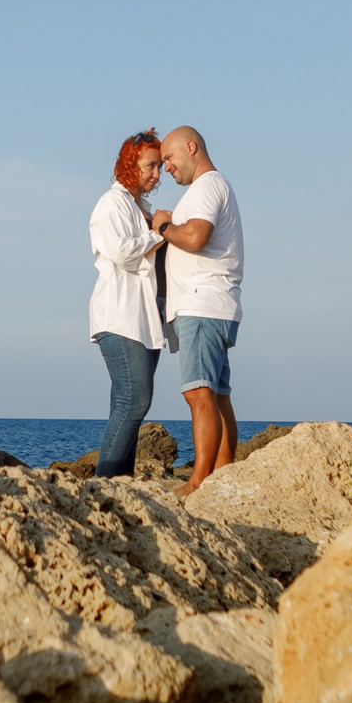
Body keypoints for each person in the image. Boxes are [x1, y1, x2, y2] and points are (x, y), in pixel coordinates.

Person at [152, 125, 243, 494]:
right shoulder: (210, 188)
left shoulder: (206, 186)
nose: (167, 167)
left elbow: (194, 237)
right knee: (217, 393)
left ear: (192, 147)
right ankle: (222, 474)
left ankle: (200, 479)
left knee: (198, 391)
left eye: (170, 158)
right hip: (214, 303)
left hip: (202, 302)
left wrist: (163, 225)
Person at [87, 129, 168, 478]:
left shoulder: (141, 208)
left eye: (160, 166)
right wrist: (158, 232)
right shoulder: (113, 203)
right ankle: (103, 486)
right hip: (119, 316)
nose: (157, 173)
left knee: (125, 405)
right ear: (129, 163)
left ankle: (122, 488)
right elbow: (122, 252)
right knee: (134, 401)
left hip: (145, 319)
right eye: (151, 165)